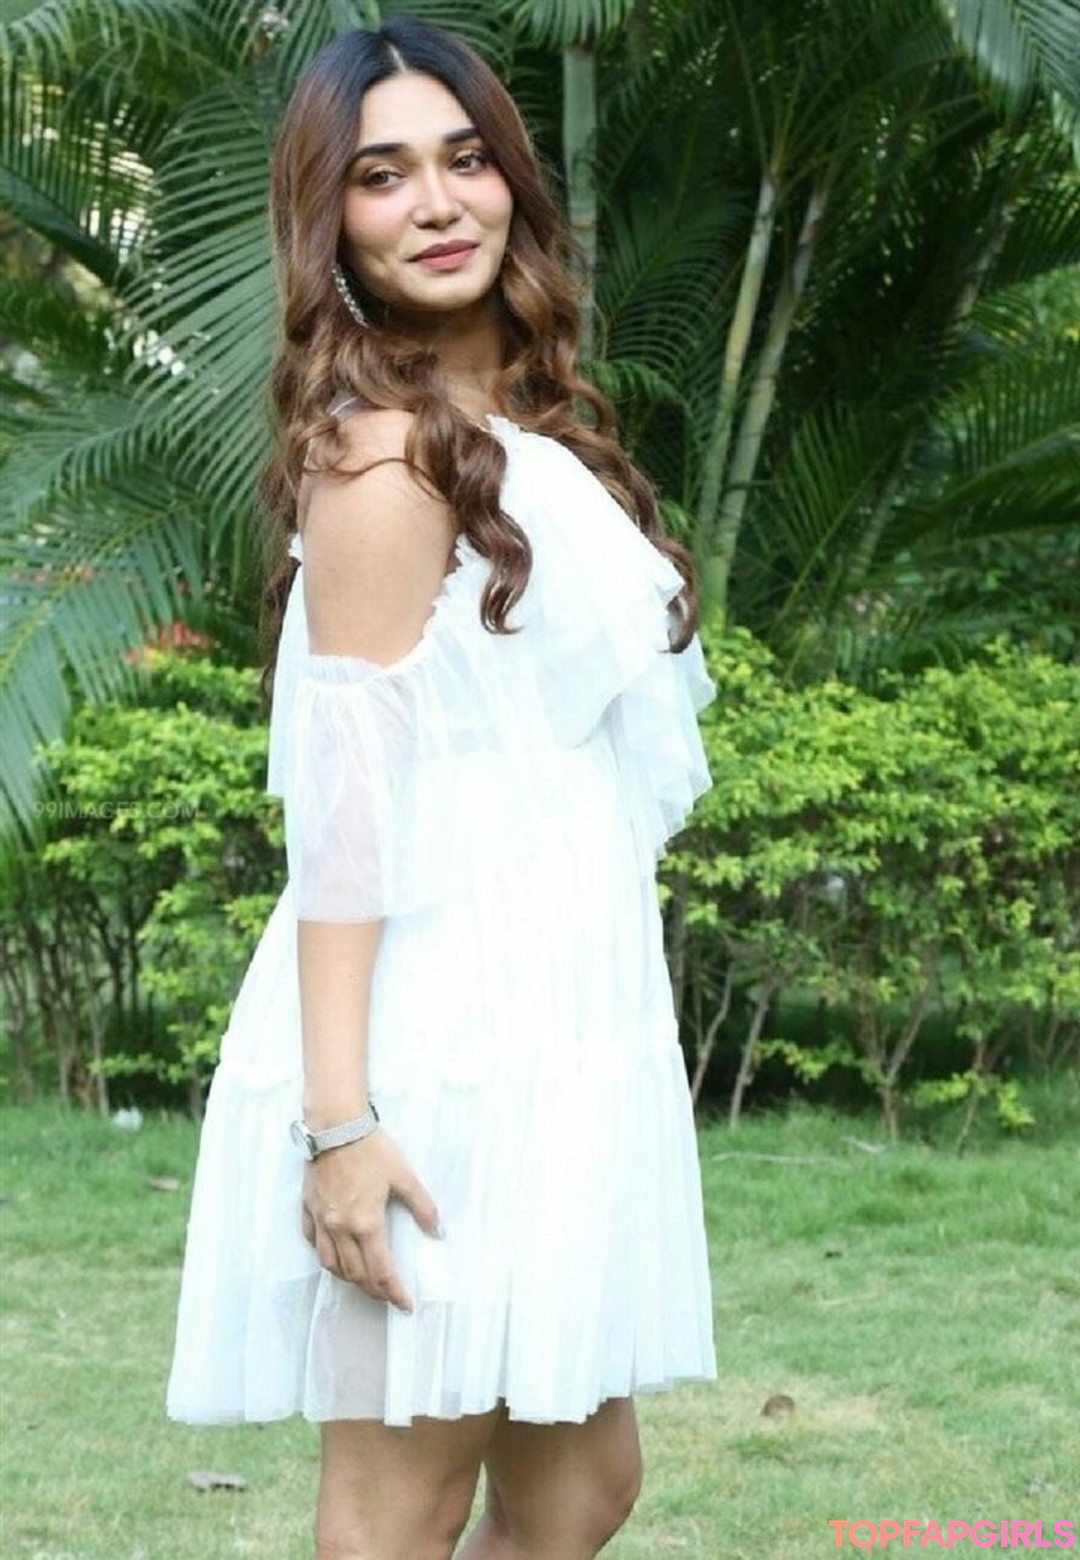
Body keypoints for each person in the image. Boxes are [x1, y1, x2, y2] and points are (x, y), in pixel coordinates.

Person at [167, 17, 717, 1560]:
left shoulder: (525, 436)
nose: (436, 202)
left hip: (564, 1038)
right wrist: (338, 1125)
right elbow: (340, 822)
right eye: (382, 175)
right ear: (329, 224)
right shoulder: (381, 465)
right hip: (438, 1050)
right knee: (397, 1508)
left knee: (582, 1488)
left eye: (465, 159)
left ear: (511, 183)